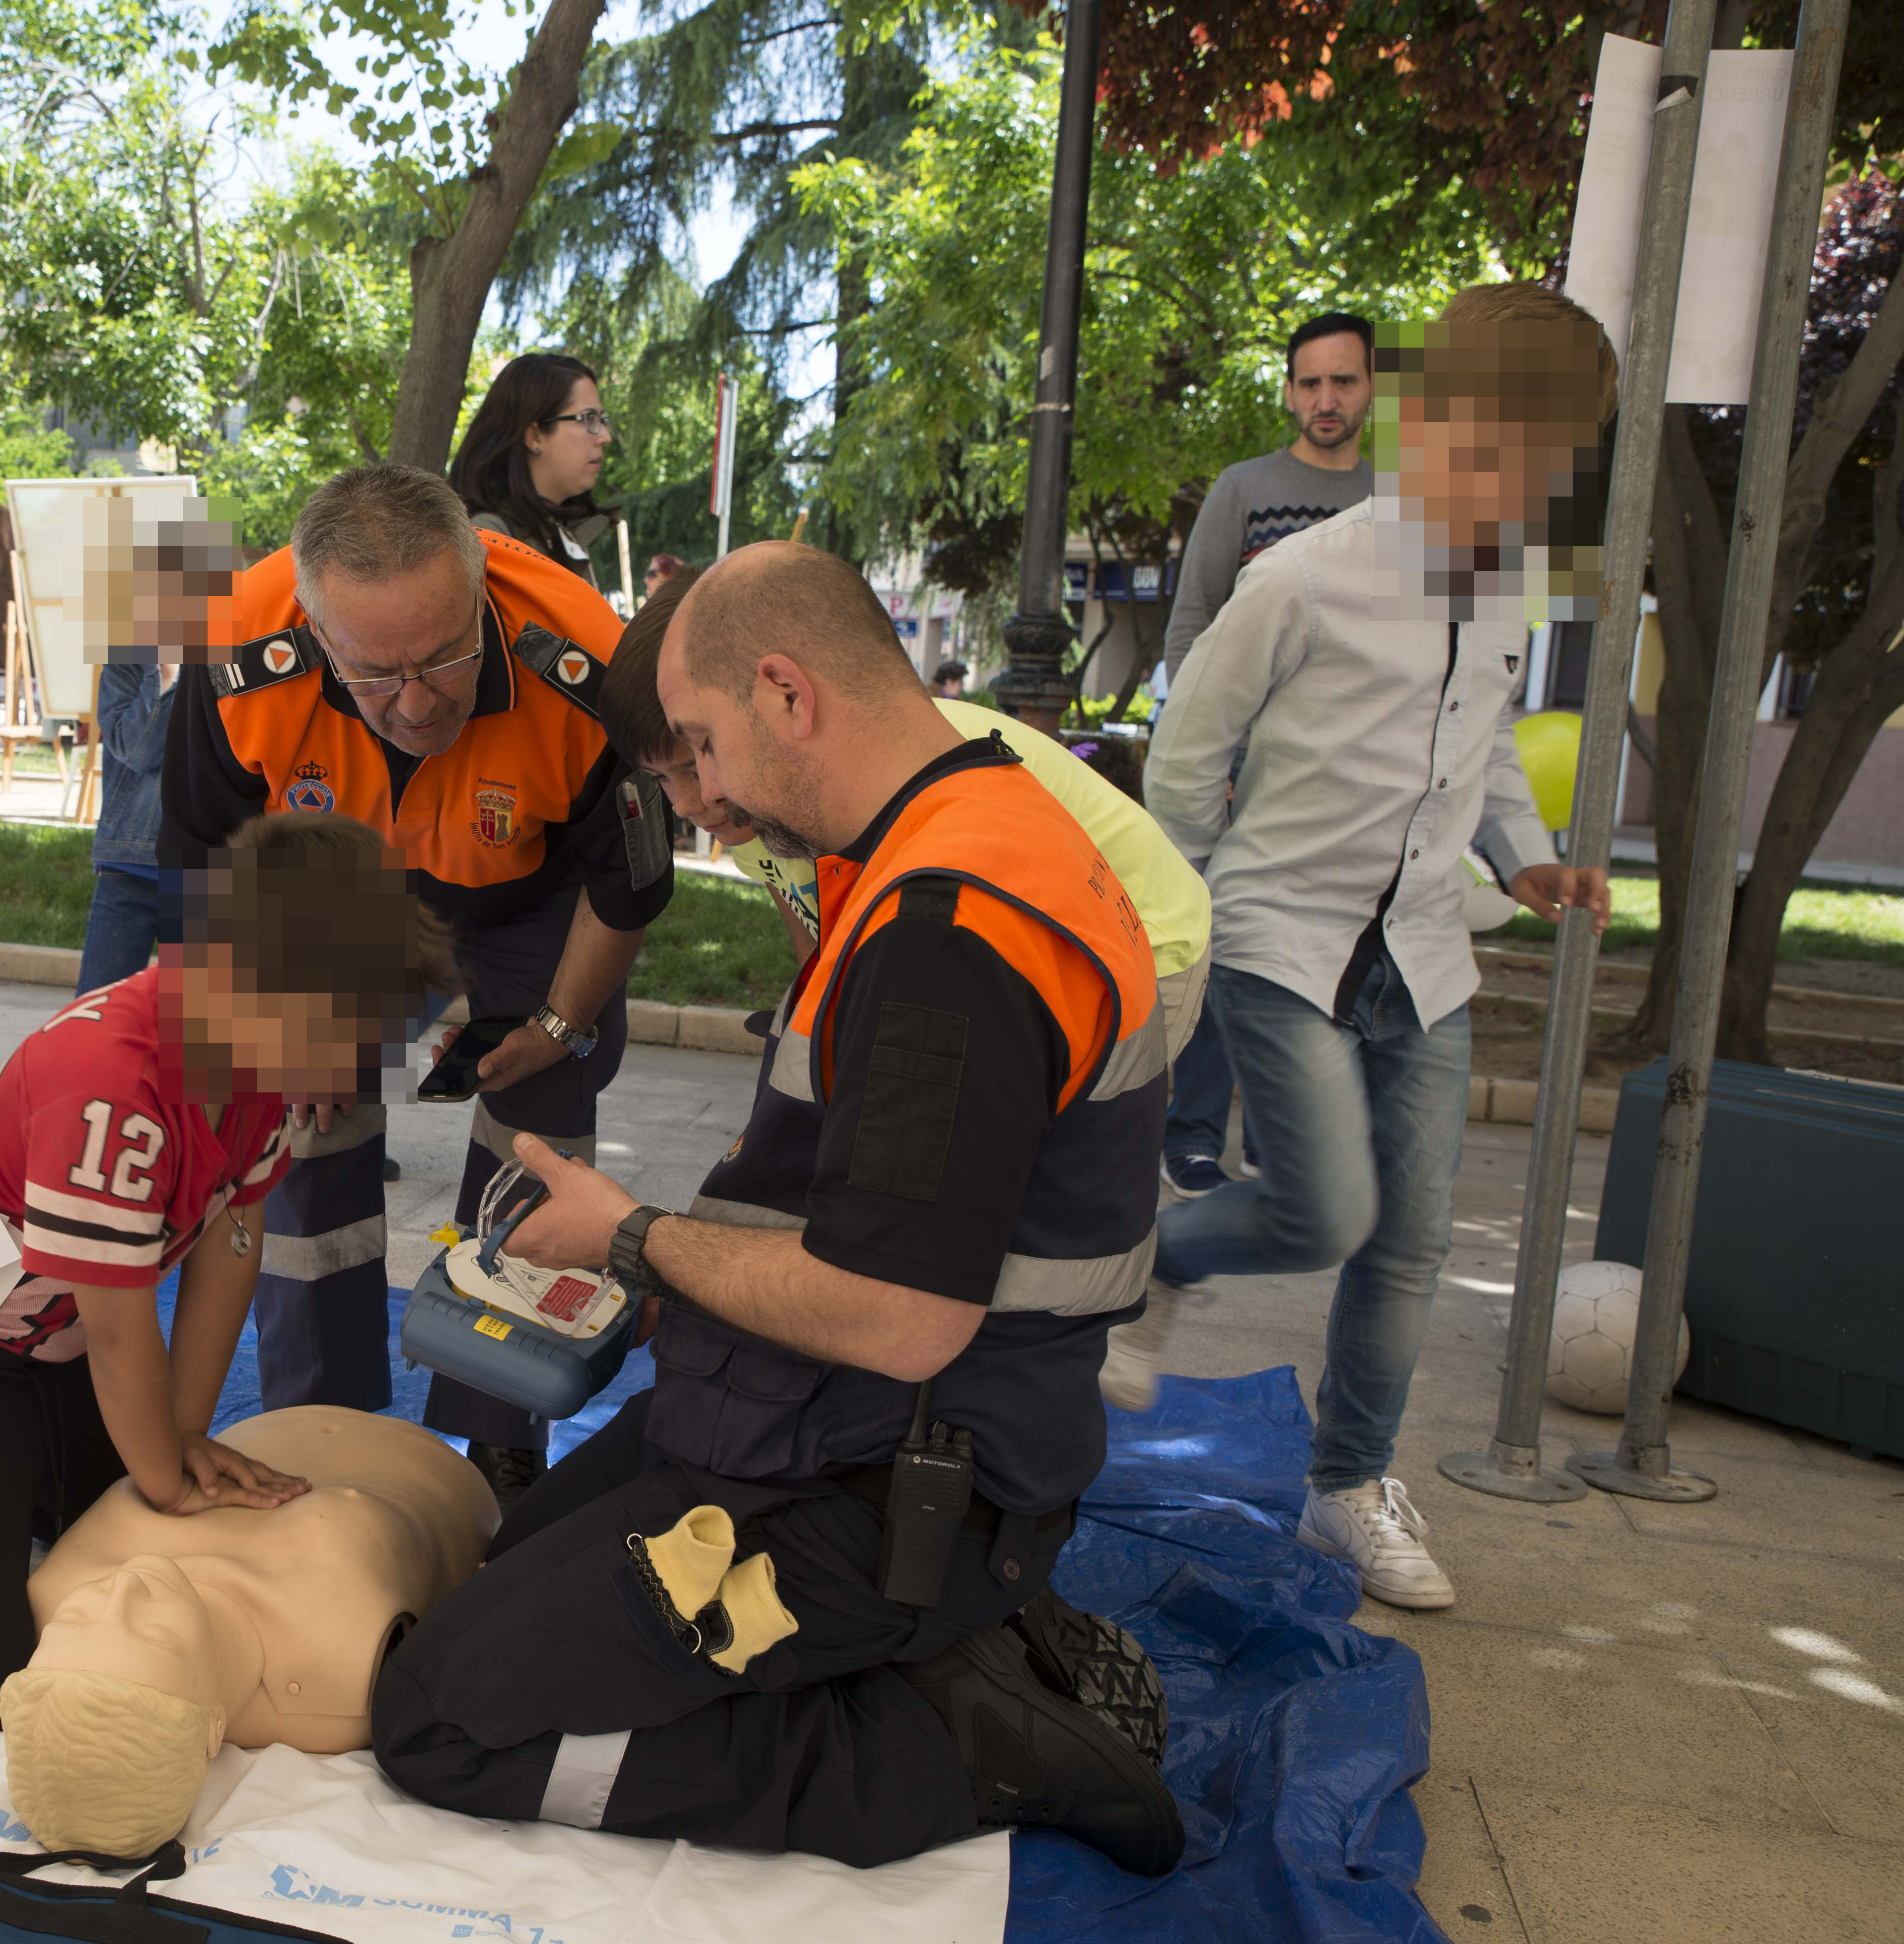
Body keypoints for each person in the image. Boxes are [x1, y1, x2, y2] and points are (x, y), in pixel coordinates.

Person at [369, 541, 1179, 1876]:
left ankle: (944, 1746)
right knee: (497, 1576)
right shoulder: (962, 832)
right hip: (834, 1431)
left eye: (701, 747)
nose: (707, 805)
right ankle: (939, 1662)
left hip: (887, 1483)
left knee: (438, 1722)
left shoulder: (946, 935)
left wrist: (631, 1240)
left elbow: (902, 1318)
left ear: (790, 695)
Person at [0, 810, 451, 1739]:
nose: (360, 1082)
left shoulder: (261, 1063)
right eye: (353, 1046)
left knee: (94, 1570)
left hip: (44, 1358)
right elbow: (119, 1328)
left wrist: (182, 1433)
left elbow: (233, 1242)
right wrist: (169, 1475)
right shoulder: (109, 1082)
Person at [1135, 284, 1617, 1610]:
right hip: (1281, 936)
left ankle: (1348, 1486)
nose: (1521, 485)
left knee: (1405, 1242)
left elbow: (1488, 750)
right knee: (1323, 1212)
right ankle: (1157, 1260)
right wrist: (1184, 921)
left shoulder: (1511, 588)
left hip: (1425, 959)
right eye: (1498, 449)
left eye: (1551, 463)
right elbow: (1187, 752)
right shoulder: (1302, 577)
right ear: (1426, 424)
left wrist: (1524, 857)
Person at [159, 465, 674, 1507]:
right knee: (297, 1132)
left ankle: (500, 1431)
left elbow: (631, 882)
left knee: (537, 1139)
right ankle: (321, 1416)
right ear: (311, 629)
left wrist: (560, 1021)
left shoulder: (581, 661)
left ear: (481, 581)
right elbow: (203, 862)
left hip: (525, 902)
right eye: (375, 673)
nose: (416, 702)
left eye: (444, 657)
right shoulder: (236, 654)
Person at [599, 567, 1214, 1062]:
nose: (693, 798)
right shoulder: (751, 801)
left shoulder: (929, 756)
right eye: (660, 779)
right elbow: (818, 936)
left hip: (1146, 939)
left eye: (702, 752)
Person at [0, 1405, 497, 1856]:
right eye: (153, 1631)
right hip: (425, 1456)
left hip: (243, 1433)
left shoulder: (48, 1594)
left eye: (77, 1617)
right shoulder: (337, 1672)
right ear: (213, 1727)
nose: (125, 1587)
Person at [1153, 309, 1376, 1198]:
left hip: (1350, 786)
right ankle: (1194, 1135)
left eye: (1344, 381)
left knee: (1323, 965)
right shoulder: (1245, 489)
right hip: (1246, 777)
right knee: (1224, 947)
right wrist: (1219, 756)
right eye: (1310, 382)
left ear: (1372, 391)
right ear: (1289, 391)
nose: (1325, 399)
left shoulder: (1399, 504)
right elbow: (1191, 627)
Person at [75, 511, 240, 993]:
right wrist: (165, 675)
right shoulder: (128, 654)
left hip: (203, 868)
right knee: (95, 1015)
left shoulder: (228, 659)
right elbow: (137, 750)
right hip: (130, 861)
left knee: (200, 1029)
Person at [447, 352, 616, 581]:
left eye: (602, 420)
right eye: (588, 419)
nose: (605, 437)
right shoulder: (489, 540)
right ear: (535, 436)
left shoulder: (563, 532)